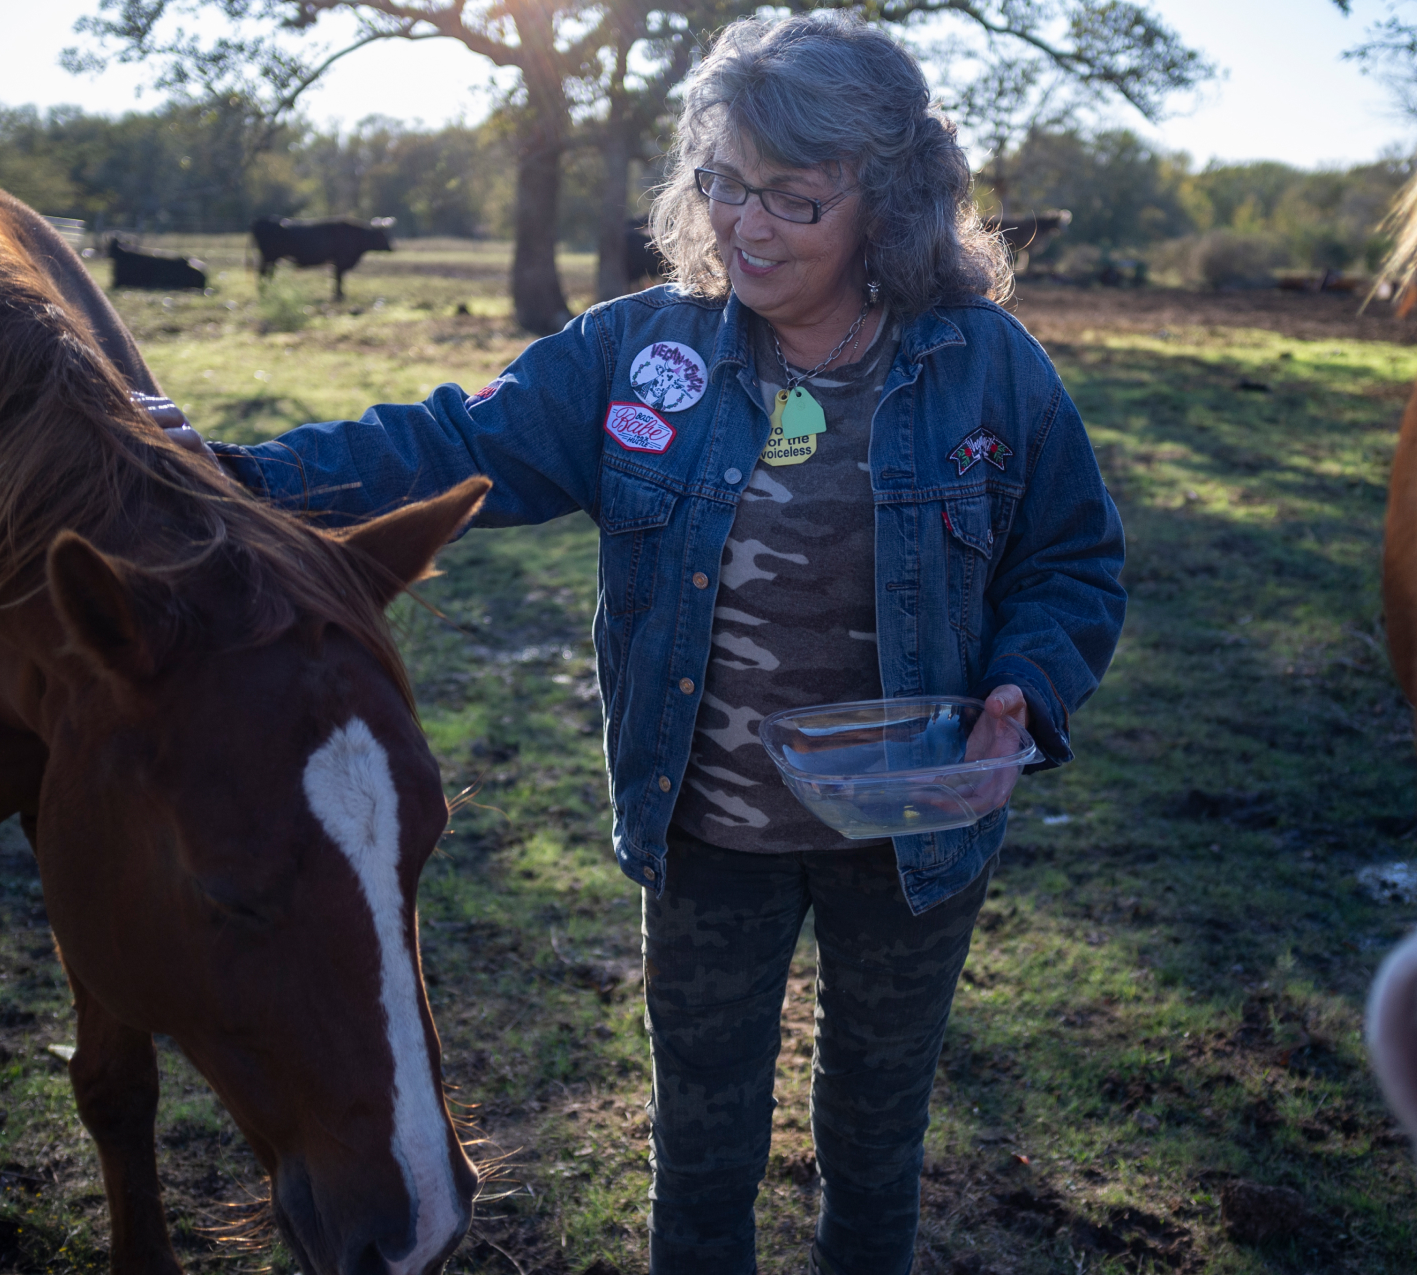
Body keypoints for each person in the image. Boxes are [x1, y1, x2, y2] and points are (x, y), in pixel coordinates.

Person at [193, 14, 1124, 1272]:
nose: (745, 226)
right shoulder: (641, 353)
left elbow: (1071, 559)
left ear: (889, 201)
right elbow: (457, 442)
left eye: (792, 199)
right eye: (723, 184)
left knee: (875, 1146)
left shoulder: (987, 368)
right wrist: (234, 473)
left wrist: (1025, 685)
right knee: (699, 1159)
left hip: (914, 838)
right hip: (706, 837)